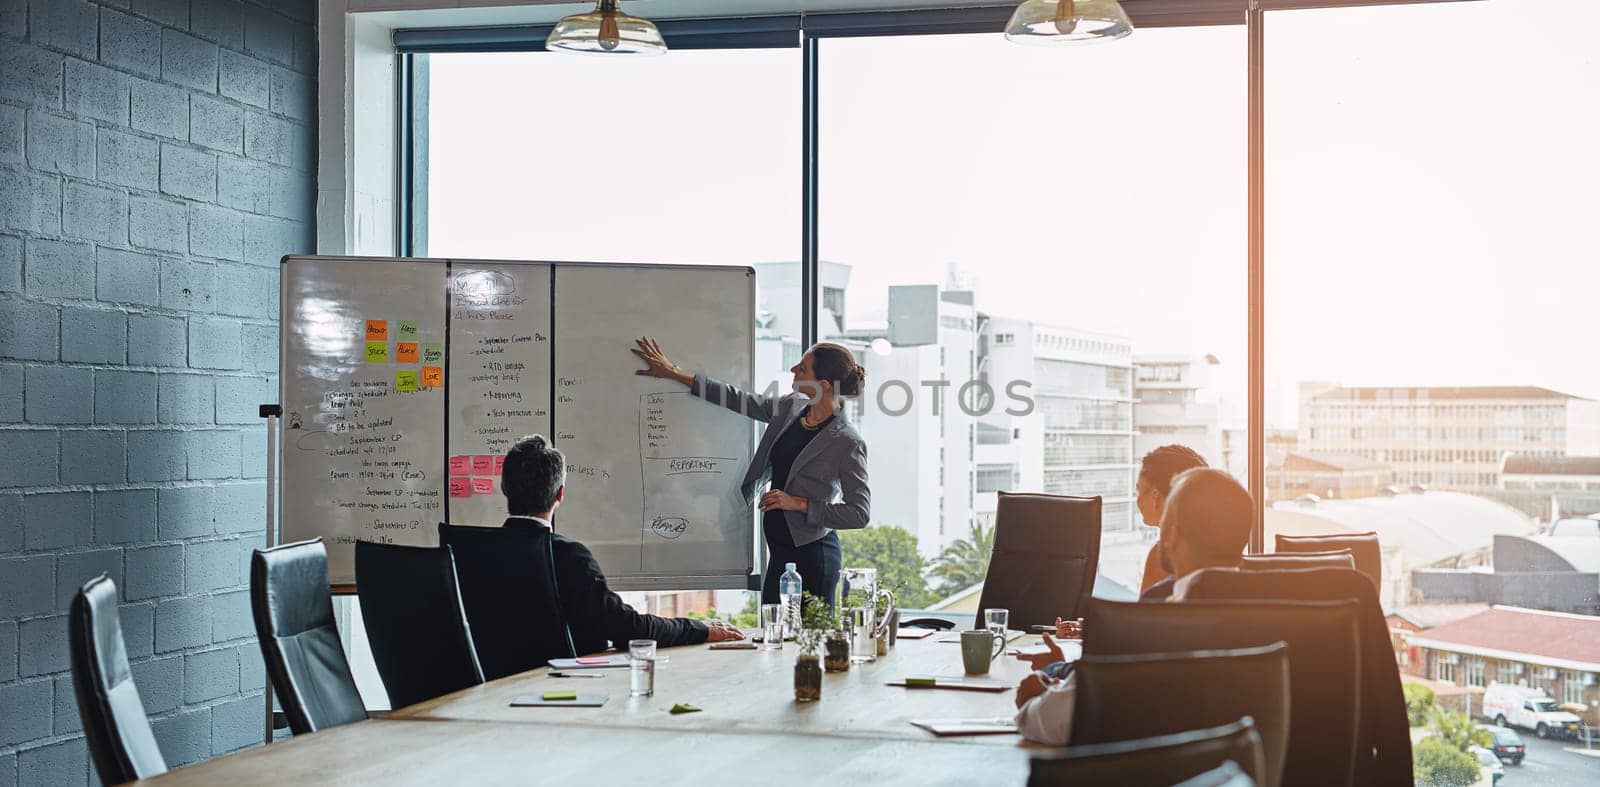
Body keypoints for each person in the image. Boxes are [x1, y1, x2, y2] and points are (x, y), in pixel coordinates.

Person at [1013, 467, 1254, 745]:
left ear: (1172, 535)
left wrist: (1034, 699)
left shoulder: (1142, 626)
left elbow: (1053, 721)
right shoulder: (1277, 619)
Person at [632, 337, 869, 606]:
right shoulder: (791, 407)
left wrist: (798, 503)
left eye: (802, 368)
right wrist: (673, 373)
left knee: (809, 643)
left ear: (822, 385)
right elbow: (740, 400)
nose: (793, 370)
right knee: (774, 634)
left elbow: (859, 514)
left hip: (814, 556)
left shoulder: (846, 441)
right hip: (779, 552)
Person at [499, 434, 744, 652]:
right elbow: (626, 629)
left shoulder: (467, 553)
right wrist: (698, 629)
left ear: (504, 488)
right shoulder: (565, 555)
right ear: (560, 494)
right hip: (561, 688)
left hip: (483, 693)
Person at [1135, 444, 1210, 594]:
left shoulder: (1165, 554)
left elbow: (1141, 616)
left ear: (1155, 496)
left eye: (1138, 491)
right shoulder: (1222, 551)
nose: (1137, 500)